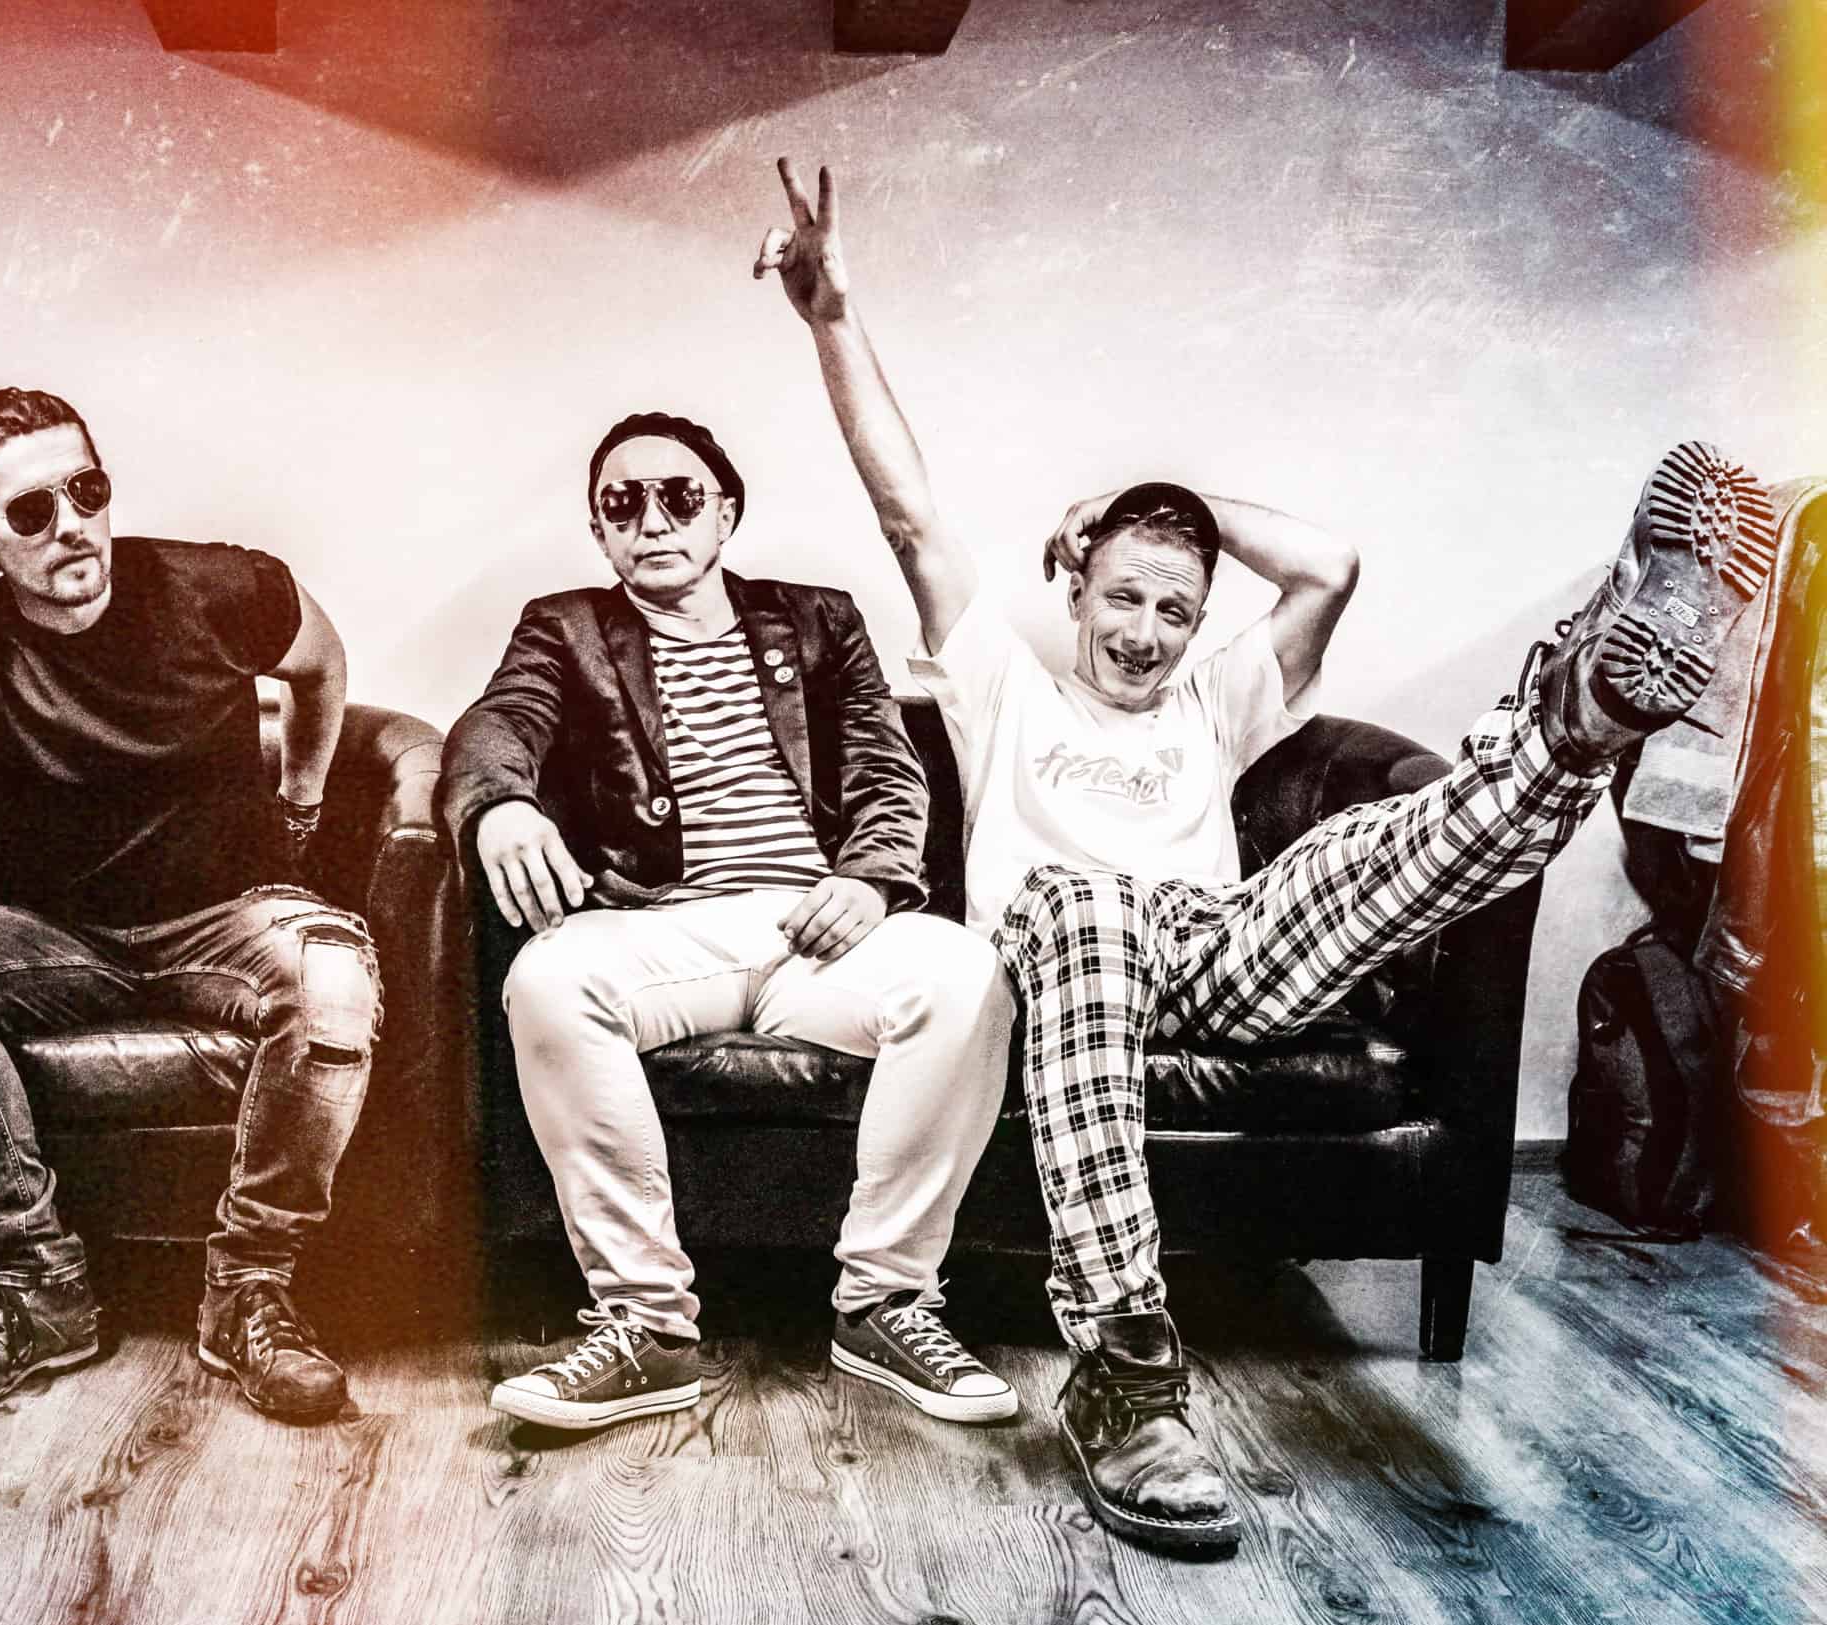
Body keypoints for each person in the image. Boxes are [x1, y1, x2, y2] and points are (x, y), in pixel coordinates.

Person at [760, 158, 1780, 1551]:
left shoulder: (1215, 697)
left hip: (1217, 954)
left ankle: (1580, 715)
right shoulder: (1003, 684)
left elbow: (1328, 566)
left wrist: (1162, 495)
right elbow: (910, 515)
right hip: (1065, 959)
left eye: (1174, 610)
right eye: (1123, 597)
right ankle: (1126, 1375)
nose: (1145, 632)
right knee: (1083, 905)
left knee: (1368, 850)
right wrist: (832, 315)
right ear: (1074, 586)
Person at [438, 410, 1019, 1432]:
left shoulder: (819, 619)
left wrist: (872, 880)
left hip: (818, 926)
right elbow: (499, 722)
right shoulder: (564, 628)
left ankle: (885, 1305)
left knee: (968, 976)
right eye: (623, 503)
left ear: (726, 513)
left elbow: (888, 769)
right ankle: (646, 1325)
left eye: (680, 496)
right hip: (664, 930)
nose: (652, 520)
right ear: (599, 529)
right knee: (546, 978)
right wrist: (500, 805)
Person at [0, 386, 380, 1426]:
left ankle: (249, 1292)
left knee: (334, 976)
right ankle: (41, 1288)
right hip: (53, 933)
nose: (72, 524)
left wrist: (302, 799)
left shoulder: (222, 587)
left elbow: (321, 661)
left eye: (86, 490)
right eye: (29, 510)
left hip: (221, 914)